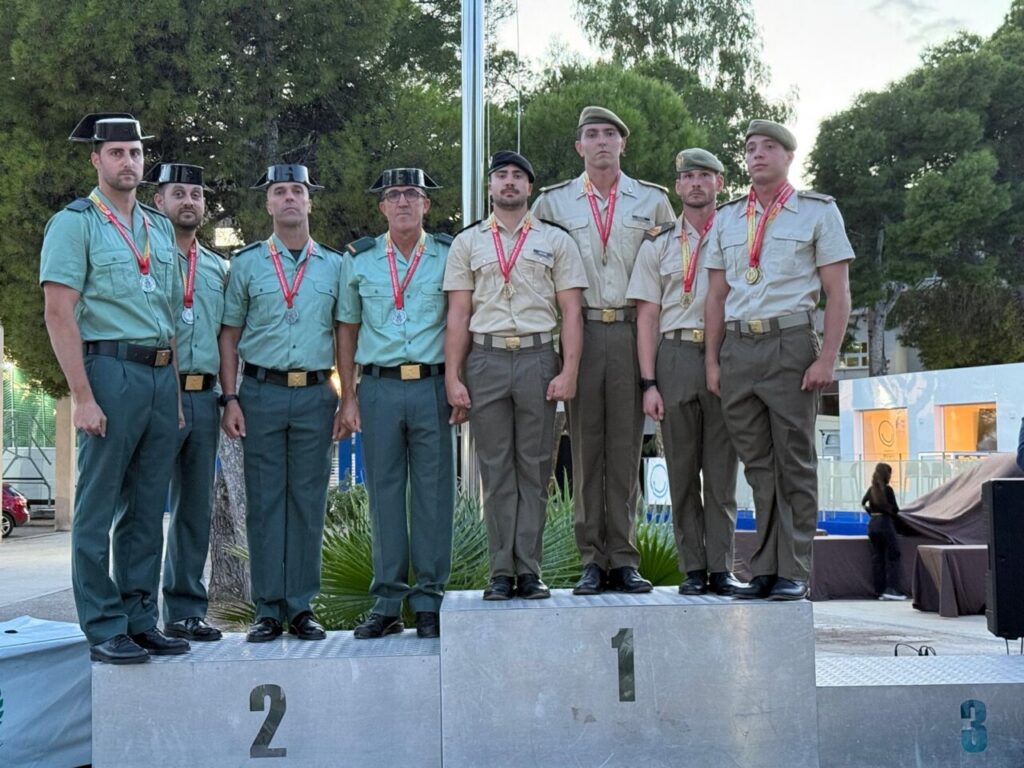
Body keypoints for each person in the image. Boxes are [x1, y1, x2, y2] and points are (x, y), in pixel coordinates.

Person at [40, 113, 188, 663]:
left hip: (157, 375)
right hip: (109, 371)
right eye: (118, 153)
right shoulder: (74, 224)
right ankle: (103, 624)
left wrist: (172, 396)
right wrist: (82, 396)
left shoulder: (156, 225)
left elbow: (170, 321)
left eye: (136, 153)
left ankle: (139, 618)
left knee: (148, 508)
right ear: (96, 160)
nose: (129, 162)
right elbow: (59, 313)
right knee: (99, 507)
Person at [705, 119, 854, 601]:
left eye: (769, 146)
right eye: (751, 148)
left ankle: (795, 568)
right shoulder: (727, 218)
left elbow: (838, 293)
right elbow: (714, 295)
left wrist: (827, 357)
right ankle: (765, 568)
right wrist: (712, 360)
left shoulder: (817, 211)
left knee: (794, 461)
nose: (758, 154)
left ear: (789, 156)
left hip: (790, 343)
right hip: (738, 348)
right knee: (757, 465)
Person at [533, 106, 675, 596]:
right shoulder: (553, 204)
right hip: (582, 330)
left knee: (627, 448)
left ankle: (625, 558)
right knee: (587, 451)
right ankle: (592, 558)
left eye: (609, 134)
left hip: (634, 332)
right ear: (578, 147)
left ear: (622, 144)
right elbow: (534, 269)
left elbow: (672, 269)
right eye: (590, 135)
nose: (600, 142)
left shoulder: (654, 202)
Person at [444, 150, 587, 600]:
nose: (509, 183)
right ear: (490, 186)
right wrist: (454, 376)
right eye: (501, 176)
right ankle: (500, 572)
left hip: (537, 358)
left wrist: (569, 370)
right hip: (485, 360)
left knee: (535, 468)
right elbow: (459, 313)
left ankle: (530, 570)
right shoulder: (467, 243)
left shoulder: (555, 241)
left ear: (530, 188)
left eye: (518, 177)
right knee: (496, 471)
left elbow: (571, 310)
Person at [220, 164, 345, 642]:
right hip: (261, 394)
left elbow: (345, 336)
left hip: (316, 394)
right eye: (280, 191)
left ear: (310, 201)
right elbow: (229, 337)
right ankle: (268, 608)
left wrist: (346, 398)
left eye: (298, 190)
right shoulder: (247, 264)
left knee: (309, 503)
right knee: (266, 503)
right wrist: (231, 397)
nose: (290, 198)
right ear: (268, 203)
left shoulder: (335, 266)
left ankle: (301, 606)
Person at [338, 168, 455, 639]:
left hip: (431, 385)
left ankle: (429, 601)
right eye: (393, 195)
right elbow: (346, 330)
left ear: (426, 205)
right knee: (384, 494)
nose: (403, 201)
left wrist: (457, 383)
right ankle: (387, 601)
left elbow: (458, 322)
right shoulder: (359, 260)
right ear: (382, 207)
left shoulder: (449, 255)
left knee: (433, 495)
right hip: (380, 387)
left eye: (413, 194)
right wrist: (348, 395)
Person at [627, 148, 742, 596]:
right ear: (677, 187)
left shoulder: (737, 237)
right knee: (680, 469)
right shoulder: (657, 243)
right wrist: (649, 382)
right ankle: (693, 568)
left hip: (725, 355)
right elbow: (647, 317)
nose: (696, 184)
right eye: (688, 177)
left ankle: (722, 567)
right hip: (673, 356)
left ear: (720, 183)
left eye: (705, 176)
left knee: (721, 473)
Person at [148, 162, 228, 642]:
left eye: (196, 194)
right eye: (178, 193)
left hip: (205, 399)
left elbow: (226, 337)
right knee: (140, 511)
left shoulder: (219, 269)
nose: (189, 202)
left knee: (193, 511)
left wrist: (229, 395)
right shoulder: (148, 259)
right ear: (158, 202)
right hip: (158, 393)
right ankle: (137, 614)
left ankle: (185, 611)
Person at [861, 462, 907, 600]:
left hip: (872, 525)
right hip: (885, 524)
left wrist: (872, 512)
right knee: (894, 555)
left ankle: (879, 591)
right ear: (886, 475)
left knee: (878, 558)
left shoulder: (871, 490)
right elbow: (895, 510)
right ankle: (892, 589)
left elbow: (863, 503)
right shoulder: (888, 490)